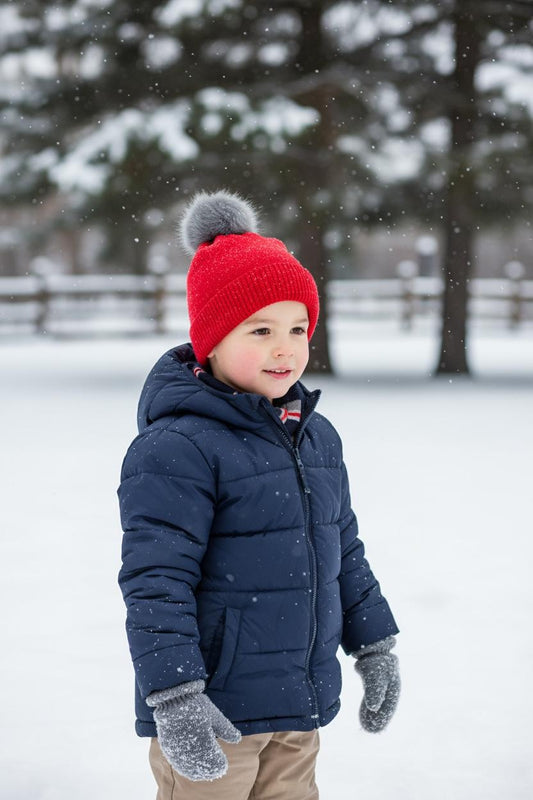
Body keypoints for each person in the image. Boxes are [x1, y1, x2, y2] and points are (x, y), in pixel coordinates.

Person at [118, 191, 400, 799]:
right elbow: (155, 581)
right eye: (262, 329)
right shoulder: (177, 449)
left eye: (298, 328)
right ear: (212, 339)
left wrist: (374, 641)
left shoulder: (315, 435)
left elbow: (343, 549)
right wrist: (175, 696)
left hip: (298, 706)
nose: (286, 347)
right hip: (213, 713)